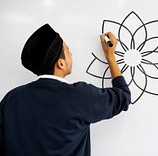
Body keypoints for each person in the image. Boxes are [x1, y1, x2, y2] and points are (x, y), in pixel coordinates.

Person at [0, 24, 131, 156]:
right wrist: (110, 56)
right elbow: (124, 96)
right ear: (60, 63)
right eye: (68, 50)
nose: (71, 54)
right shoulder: (79, 95)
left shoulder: (11, 98)